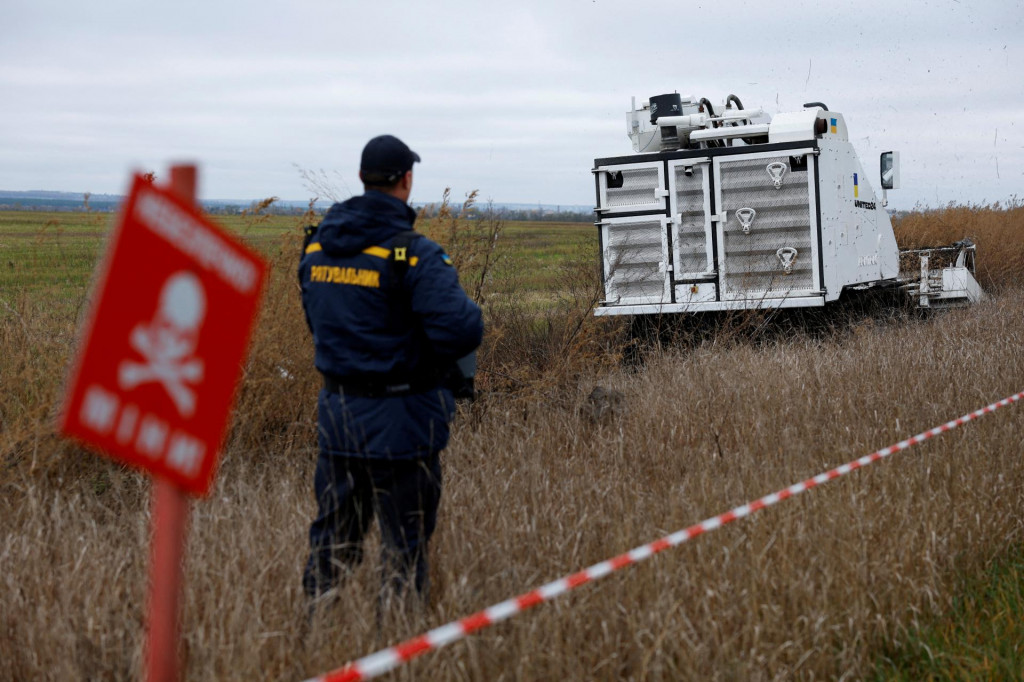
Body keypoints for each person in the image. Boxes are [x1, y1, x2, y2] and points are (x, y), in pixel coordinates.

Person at [298, 135, 483, 611]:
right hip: (403, 424)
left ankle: (314, 636)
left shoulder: (318, 248)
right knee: (404, 549)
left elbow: (318, 323)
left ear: (362, 179)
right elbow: (463, 330)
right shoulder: (415, 254)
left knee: (332, 545)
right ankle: (397, 650)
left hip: (338, 418)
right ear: (406, 180)